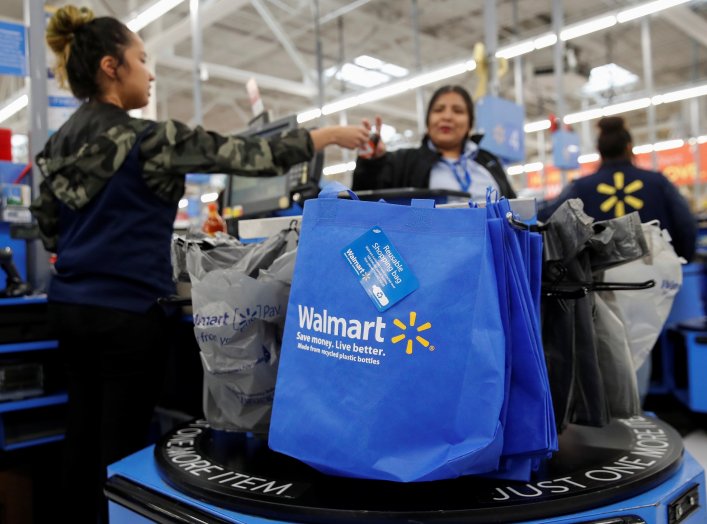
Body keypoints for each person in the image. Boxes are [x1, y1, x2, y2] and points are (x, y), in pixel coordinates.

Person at [30, 5, 369, 523]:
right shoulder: (149, 139)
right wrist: (323, 137)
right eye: (142, 59)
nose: (151, 72)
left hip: (69, 306)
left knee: (82, 428)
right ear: (110, 67)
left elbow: (47, 225)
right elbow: (242, 155)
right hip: (126, 312)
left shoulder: (56, 146)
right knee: (120, 443)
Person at [538, 116, 696, 261]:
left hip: (602, 282)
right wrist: (682, 258)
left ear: (599, 150)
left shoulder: (580, 188)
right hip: (657, 275)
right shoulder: (658, 182)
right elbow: (685, 224)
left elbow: (548, 220)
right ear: (629, 147)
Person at [352, 84, 516, 201]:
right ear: (428, 124)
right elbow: (364, 200)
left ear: (470, 124)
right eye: (438, 110)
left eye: (458, 111)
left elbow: (514, 209)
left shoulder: (489, 161)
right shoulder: (404, 161)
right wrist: (372, 161)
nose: (447, 117)